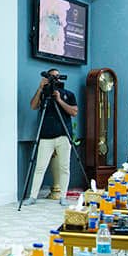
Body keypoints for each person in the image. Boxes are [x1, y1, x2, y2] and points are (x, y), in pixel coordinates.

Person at [24, 68, 78, 206]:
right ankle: (33, 196)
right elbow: (33, 106)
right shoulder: (44, 94)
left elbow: (74, 112)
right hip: (46, 136)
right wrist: (40, 89)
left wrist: (59, 100)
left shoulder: (68, 94)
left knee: (64, 167)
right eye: (51, 77)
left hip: (63, 135)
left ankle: (63, 197)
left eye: (57, 76)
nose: (55, 79)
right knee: (40, 167)